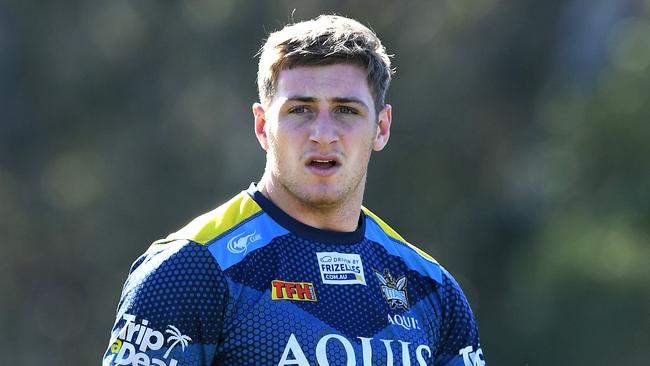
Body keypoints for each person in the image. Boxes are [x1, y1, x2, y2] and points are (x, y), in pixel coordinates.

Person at [103, 14, 486, 366]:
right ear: (262, 125)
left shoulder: (431, 290)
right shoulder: (193, 268)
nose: (322, 134)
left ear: (381, 128)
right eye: (300, 110)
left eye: (346, 110)